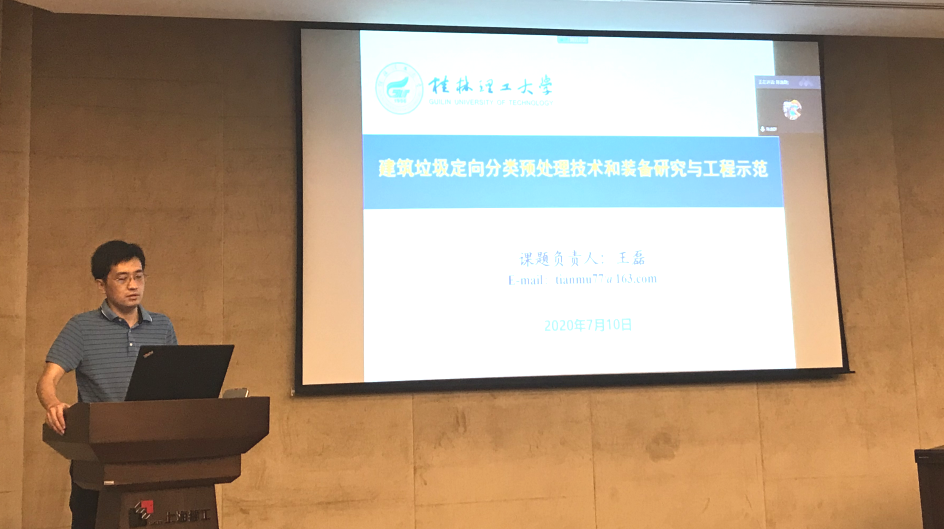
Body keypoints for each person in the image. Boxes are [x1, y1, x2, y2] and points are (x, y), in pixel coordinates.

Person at [36, 240, 177, 529]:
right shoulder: (81, 327)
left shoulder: (162, 326)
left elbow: (175, 384)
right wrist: (53, 404)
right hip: (99, 453)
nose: (133, 285)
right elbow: (47, 380)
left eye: (138, 276)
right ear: (101, 284)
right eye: (122, 278)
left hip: (151, 450)